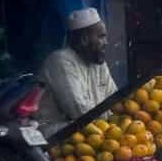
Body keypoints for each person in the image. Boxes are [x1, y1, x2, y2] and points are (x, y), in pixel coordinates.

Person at [37, 8, 118, 138]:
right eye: (101, 37)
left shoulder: (98, 62)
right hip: (55, 134)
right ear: (84, 39)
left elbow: (115, 101)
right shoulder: (60, 60)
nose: (106, 43)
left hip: (94, 130)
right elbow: (79, 113)